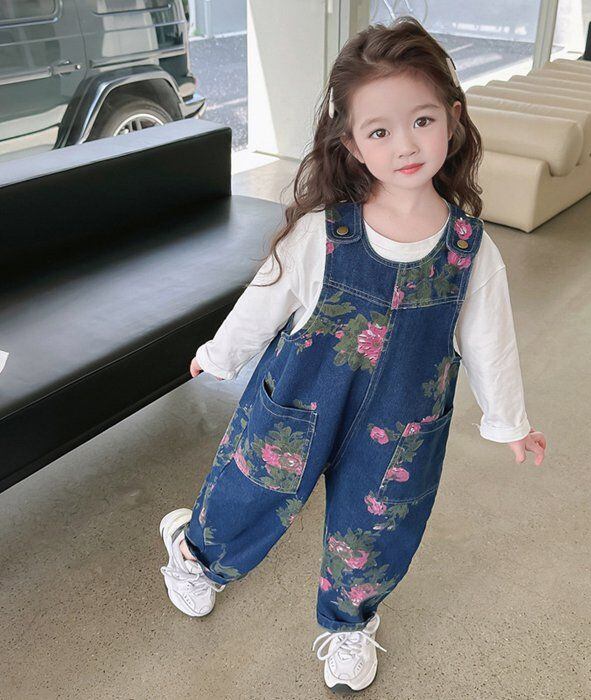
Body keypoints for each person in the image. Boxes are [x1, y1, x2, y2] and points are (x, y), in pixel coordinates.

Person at [159, 16, 547, 693]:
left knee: (374, 530)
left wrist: (509, 421)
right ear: (353, 145)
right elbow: (267, 296)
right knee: (251, 491)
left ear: (453, 120)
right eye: (380, 131)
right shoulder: (324, 232)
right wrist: (220, 355)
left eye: (422, 120)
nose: (406, 144)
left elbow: (492, 341)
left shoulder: (469, 250)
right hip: (299, 402)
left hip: (401, 425)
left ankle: (349, 622)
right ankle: (195, 554)